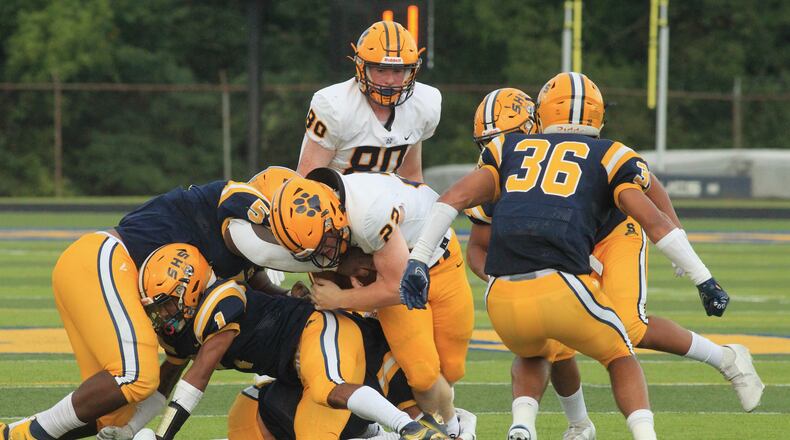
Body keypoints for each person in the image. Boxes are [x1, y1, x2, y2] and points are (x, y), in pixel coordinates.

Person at [400, 72, 735, 440]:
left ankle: (529, 426)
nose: (495, 145)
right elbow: (478, 243)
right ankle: (602, 429)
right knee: (593, 346)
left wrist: (418, 259)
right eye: (488, 141)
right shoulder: (580, 153)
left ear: (538, 120)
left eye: (504, 137)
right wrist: (702, 277)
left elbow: (449, 200)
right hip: (561, 265)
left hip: (590, 247)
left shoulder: (513, 155)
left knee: (578, 338)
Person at [0, 169, 340, 440]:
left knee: (112, 413)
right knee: (133, 376)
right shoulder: (237, 200)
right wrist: (328, 260)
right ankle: (21, 436)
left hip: (111, 279)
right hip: (105, 259)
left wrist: (301, 299)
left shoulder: (236, 267)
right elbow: (259, 246)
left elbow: (258, 288)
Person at [103, 243, 446, 440]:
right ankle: (376, 434)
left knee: (329, 387)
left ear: (190, 290)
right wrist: (131, 427)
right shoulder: (182, 330)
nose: (161, 316)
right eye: (156, 308)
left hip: (319, 330)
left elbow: (198, 377)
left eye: (165, 305)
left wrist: (162, 436)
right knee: (245, 420)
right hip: (288, 370)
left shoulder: (220, 302)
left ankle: (410, 429)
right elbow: (164, 388)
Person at [268, 169, 474, 438]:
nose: (324, 255)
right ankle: (449, 429)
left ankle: (456, 419)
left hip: (438, 260)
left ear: (335, 215)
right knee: (423, 376)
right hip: (393, 269)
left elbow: (401, 287)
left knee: (451, 368)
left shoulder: (368, 215)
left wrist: (340, 298)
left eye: (326, 244)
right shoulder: (319, 224)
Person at [297, 20, 441, 182]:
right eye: (381, 70)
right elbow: (307, 180)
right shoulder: (334, 106)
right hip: (334, 201)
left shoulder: (422, 104)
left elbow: (412, 177)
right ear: (361, 67)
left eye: (398, 71)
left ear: (411, 72)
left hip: (387, 203)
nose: (390, 80)